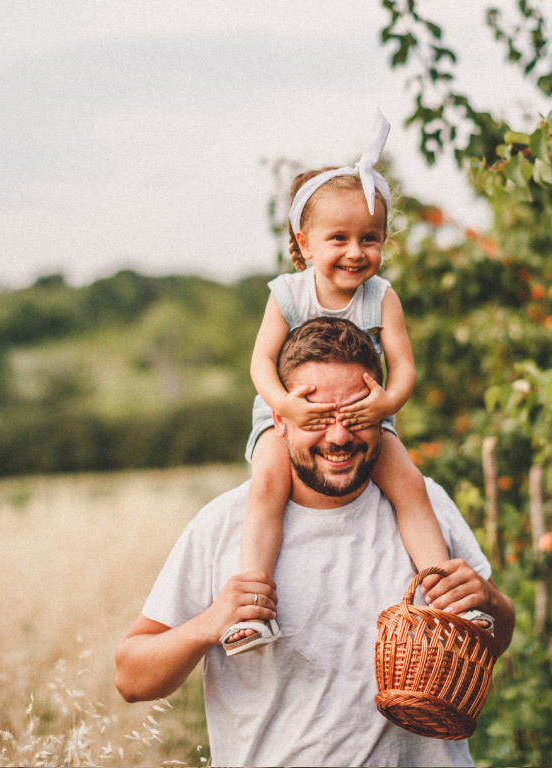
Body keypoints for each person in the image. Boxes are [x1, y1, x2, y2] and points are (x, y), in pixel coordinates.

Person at [115, 317, 515, 767]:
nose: (339, 437)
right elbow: (131, 678)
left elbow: (498, 636)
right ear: (279, 420)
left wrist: (490, 602)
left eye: (357, 415)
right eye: (319, 417)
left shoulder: (427, 505)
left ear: (383, 415)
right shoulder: (223, 524)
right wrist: (208, 624)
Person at [223, 110, 470, 656]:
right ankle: (254, 608)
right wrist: (285, 406)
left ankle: (445, 598)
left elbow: (403, 366)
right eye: (339, 238)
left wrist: (386, 403)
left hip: (365, 415)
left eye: (370, 238)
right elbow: (260, 363)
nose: (356, 252)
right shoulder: (288, 294)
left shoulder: (381, 296)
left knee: (410, 487)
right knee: (266, 486)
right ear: (305, 242)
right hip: (291, 416)